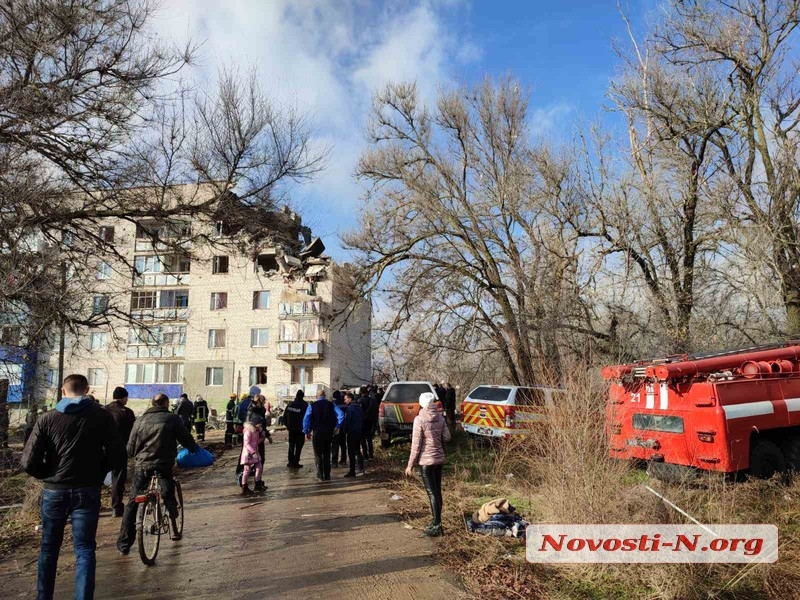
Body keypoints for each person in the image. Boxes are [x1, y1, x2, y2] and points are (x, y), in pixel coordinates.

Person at [21, 374, 126, 600]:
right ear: (87, 390)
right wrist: (98, 473)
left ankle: (43, 597)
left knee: (49, 548)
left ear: (62, 391)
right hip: (87, 490)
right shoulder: (102, 417)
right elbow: (118, 456)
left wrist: (48, 475)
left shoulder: (47, 418)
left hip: (54, 492)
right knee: (85, 549)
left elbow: (28, 461)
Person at [117, 393, 198, 555]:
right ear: (166, 404)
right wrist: (194, 449)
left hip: (142, 465)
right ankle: (172, 510)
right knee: (167, 486)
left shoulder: (140, 420)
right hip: (163, 463)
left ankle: (124, 543)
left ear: (152, 404)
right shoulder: (172, 418)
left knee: (132, 501)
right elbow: (185, 437)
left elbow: (130, 447)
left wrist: (137, 457)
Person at [404, 391, 451, 537]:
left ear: (421, 404)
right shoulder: (441, 418)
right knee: (437, 491)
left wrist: (410, 465)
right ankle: (436, 521)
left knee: (431, 493)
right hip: (439, 460)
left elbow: (416, 445)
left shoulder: (419, 419)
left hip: (426, 461)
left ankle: (437, 525)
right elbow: (447, 437)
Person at [105, 387, 136, 518]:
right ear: (123, 398)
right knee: (118, 479)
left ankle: (93, 507)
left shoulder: (103, 410)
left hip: (102, 450)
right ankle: (116, 508)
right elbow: (133, 433)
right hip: (120, 449)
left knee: (97, 478)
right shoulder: (127, 412)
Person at [302, 389, 344, 482]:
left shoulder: (311, 406)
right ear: (324, 396)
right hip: (328, 432)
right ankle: (327, 475)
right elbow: (341, 414)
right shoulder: (331, 404)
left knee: (318, 454)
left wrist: (306, 431)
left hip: (317, 432)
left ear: (316, 396)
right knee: (326, 453)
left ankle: (320, 475)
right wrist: (337, 426)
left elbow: (306, 419)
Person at [240, 414, 267, 495]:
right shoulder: (248, 431)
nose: (260, 425)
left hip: (255, 451)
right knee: (247, 470)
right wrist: (253, 452)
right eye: (259, 423)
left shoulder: (256, 431)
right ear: (255, 423)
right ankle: (244, 486)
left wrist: (262, 435)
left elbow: (256, 441)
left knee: (259, 467)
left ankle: (258, 483)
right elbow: (246, 444)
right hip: (248, 453)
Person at [342, 392, 365, 477]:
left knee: (351, 452)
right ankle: (361, 469)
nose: (344, 401)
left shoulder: (350, 408)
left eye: (345, 399)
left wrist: (345, 430)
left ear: (350, 399)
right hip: (359, 431)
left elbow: (348, 420)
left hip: (351, 432)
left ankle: (352, 471)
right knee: (358, 450)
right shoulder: (359, 407)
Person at [284, 389, 308, 468]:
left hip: (291, 429)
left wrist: (288, 426)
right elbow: (307, 417)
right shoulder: (305, 405)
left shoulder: (290, 405)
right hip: (300, 430)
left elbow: (284, 417)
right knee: (299, 446)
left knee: (291, 445)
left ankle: (290, 462)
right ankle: (296, 462)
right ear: (303, 396)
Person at [246, 394, 273, 464]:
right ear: (259, 401)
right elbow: (247, 422)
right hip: (252, 438)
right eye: (263, 401)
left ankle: (258, 473)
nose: (264, 403)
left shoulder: (262, 409)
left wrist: (268, 435)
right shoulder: (251, 409)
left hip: (260, 437)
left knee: (261, 458)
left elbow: (263, 424)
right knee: (249, 457)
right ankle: (243, 472)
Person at [361, 387, 380, 460]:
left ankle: (365, 455)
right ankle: (371, 455)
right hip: (370, 422)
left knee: (363, 440)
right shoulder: (372, 401)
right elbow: (375, 412)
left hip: (363, 422)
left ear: (361, 392)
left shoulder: (360, 401)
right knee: (369, 439)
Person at [331, 390, 347, 467]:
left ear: (334, 397)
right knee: (343, 443)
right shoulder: (344, 403)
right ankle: (343, 460)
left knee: (335, 444)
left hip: (337, 426)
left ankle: (334, 461)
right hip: (344, 426)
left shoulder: (334, 404)